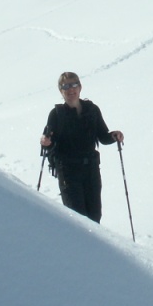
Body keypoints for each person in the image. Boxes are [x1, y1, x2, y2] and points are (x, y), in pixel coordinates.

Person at [39, 72, 123, 223]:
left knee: (95, 216)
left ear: (80, 87)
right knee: (78, 219)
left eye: (73, 85)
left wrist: (114, 136)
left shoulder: (92, 110)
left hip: (91, 169)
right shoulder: (56, 114)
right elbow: (50, 143)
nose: (70, 89)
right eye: (65, 86)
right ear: (61, 91)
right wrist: (46, 142)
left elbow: (103, 136)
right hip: (68, 172)